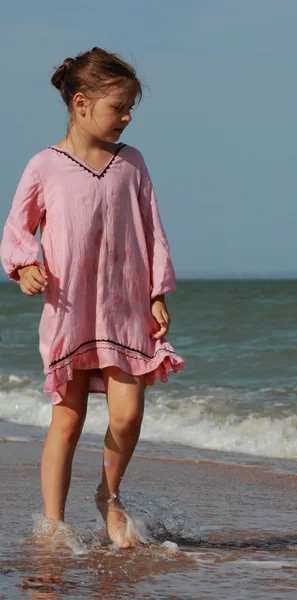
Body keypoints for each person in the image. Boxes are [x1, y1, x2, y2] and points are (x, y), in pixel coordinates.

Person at [0, 47, 185, 549]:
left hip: (125, 309)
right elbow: (18, 228)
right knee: (70, 417)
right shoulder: (45, 165)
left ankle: (108, 495)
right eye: (117, 107)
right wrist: (24, 266)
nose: (126, 118)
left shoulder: (132, 164)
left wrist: (156, 294)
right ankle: (54, 523)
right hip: (70, 308)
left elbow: (152, 231)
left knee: (127, 414)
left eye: (130, 109)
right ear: (81, 103)